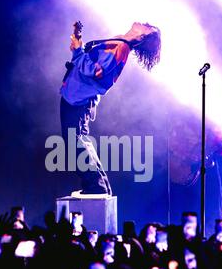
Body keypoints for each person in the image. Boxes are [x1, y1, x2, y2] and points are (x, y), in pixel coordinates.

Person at [60, 22, 161, 196]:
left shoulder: (120, 47)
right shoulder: (118, 42)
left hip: (77, 99)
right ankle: (99, 186)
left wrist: (78, 51)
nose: (143, 22)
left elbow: (94, 72)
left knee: (75, 143)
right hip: (76, 95)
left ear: (142, 36)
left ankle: (95, 187)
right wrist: (78, 46)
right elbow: (91, 64)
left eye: (147, 26)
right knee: (78, 141)